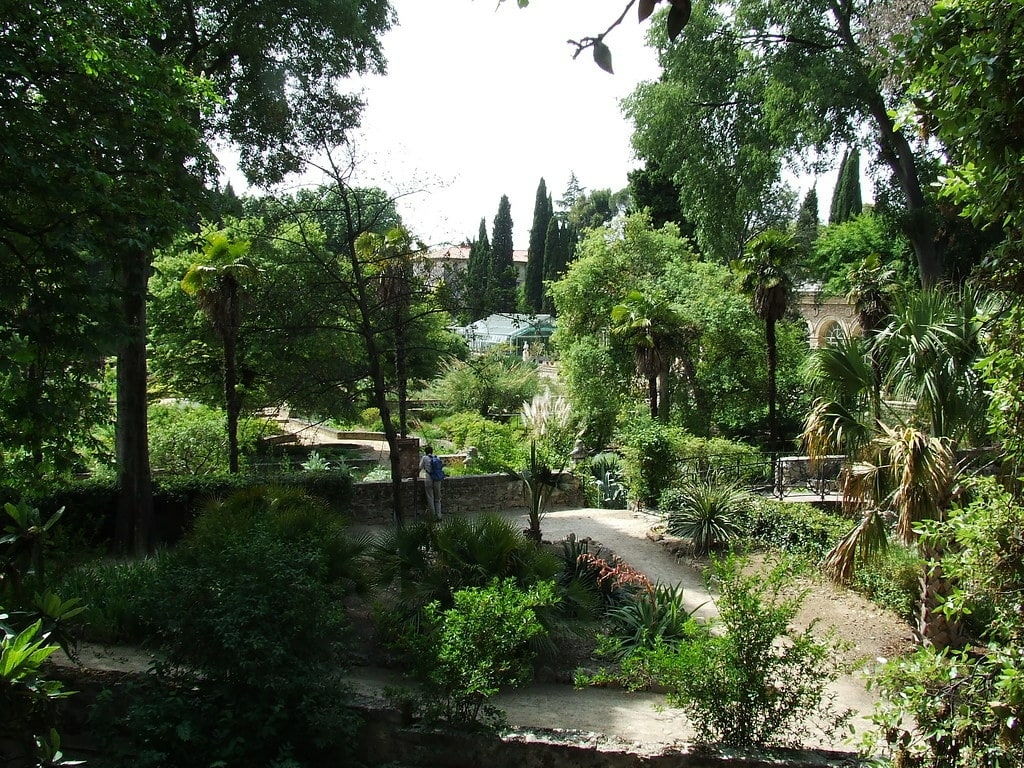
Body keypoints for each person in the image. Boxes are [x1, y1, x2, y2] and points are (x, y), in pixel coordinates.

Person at [419, 444, 444, 520]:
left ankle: (433, 516)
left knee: (430, 497)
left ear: (425, 452)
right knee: (438, 498)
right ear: (432, 451)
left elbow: (420, 467)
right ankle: (439, 515)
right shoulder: (437, 457)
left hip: (429, 478)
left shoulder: (424, 458)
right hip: (437, 479)